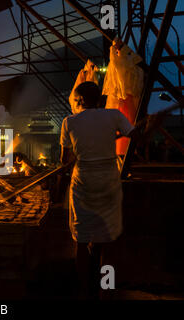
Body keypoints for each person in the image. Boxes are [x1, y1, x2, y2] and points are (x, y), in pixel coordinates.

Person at [60, 81, 139, 299]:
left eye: (76, 100)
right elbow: (135, 136)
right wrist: (148, 126)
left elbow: (65, 160)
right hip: (108, 181)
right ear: (98, 100)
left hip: (84, 182)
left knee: (82, 238)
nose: (75, 103)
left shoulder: (70, 122)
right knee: (103, 239)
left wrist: (76, 154)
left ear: (82, 100)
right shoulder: (113, 115)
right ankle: (105, 287)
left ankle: (84, 290)